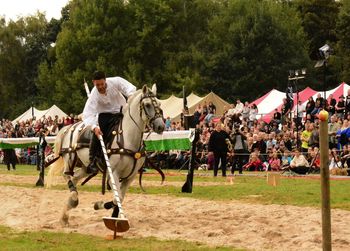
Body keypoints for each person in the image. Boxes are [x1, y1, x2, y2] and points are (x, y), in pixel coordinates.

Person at [82, 71, 136, 174]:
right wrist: (94, 127)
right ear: (93, 82)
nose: (101, 87)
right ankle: (93, 160)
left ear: (105, 80)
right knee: (99, 132)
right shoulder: (94, 94)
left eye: (102, 84)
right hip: (105, 115)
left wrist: (130, 96)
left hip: (121, 112)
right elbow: (88, 114)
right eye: (97, 85)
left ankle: (137, 154)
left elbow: (129, 88)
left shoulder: (115, 81)